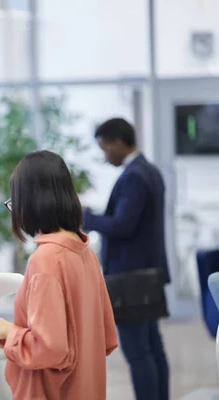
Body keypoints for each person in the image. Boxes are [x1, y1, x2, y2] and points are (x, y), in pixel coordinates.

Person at [0, 150, 118, 400]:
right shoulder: (85, 253)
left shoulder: (45, 260)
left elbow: (49, 349)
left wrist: (8, 332)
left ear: (29, 202)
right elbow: (107, 338)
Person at [82, 118, 170, 400]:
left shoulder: (133, 176)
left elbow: (123, 226)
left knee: (138, 352)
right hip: (147, 273)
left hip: (131, 277)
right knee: (152, 347)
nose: (105, 155)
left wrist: (85, 217)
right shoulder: (150, 171)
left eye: (105, 147)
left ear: (119, 143)